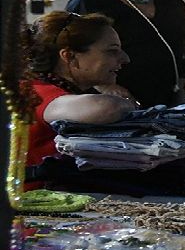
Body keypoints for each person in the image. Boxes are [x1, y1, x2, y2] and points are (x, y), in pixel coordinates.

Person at [22, 11, 137, 171]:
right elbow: (106, 108)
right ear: (69, 56)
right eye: (112, 51)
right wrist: (133, 108)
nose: (125, 58)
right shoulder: (37, 91)